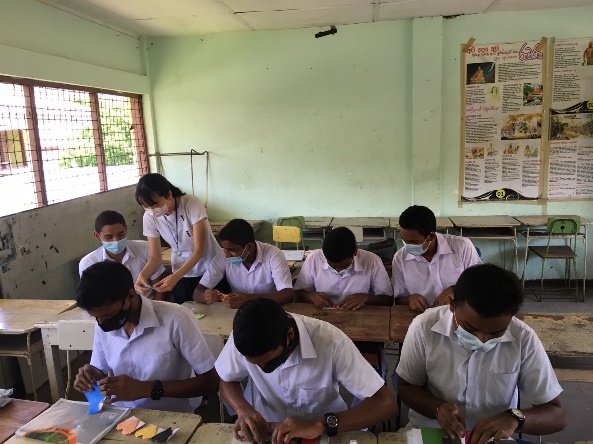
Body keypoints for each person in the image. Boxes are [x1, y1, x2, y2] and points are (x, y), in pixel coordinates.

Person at [395, 264, 566, 443]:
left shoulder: (523, 338)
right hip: (430, 431)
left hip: (492, 439)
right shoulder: (424, 327)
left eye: (496, 333)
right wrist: (437, 408)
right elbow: (407, 386)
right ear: (452, 305)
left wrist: (515, 418)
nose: (483, 340)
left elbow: (557, 413)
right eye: (470, 329)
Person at [215, 298, 398, 443]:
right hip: (271, 430)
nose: (263, 370)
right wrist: (243, 409)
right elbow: (226, 379)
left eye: (269, 363)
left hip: (326, 433)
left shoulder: (331, 342)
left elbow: (386, 404)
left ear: (290, 335)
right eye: (254, 365)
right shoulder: (244, 337)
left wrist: (320, 424)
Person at [73, 261, 219, 412]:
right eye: (95, 317)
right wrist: (90, 376)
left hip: (172, 416)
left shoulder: (176, 319)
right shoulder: (104, 322)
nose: (101, 324)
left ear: (130, 296)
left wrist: (148, 389)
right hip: (122, 414)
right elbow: (99, 369)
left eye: (108, 315)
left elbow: (212, 382)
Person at [135, 173, 225, 304]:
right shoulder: (149, 217)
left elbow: (199, 250)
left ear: (169, 195)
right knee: (186, 311)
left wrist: (176, 276)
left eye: (155, 205)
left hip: (209, 266)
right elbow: (155, 257)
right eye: (146, 206)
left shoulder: (191, 204)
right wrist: (142, 275)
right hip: (181, 271)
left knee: (215, 311)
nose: (151, 210)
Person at [392, 206, 481, 313]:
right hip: (422, 315)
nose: (408, 246)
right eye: (404, 241)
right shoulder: (400, 258)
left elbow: (480, 282)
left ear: (431, 237)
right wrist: (410, 299)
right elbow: (398, 298)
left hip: (460, 313)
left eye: (414, 242)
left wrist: (454, 289)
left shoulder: (462, 246)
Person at [193, 219, 293, 309]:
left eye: (232, 250)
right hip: (238, 312)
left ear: (249, 247)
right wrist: (206, 296)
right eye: (224, 249)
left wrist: (248, 299)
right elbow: (197, 292)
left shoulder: (273, 255)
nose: (227, 255)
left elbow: (287, 294)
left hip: (269, 309)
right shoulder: (222, 256)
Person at [294, 227, 393, 310]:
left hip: (360, 316)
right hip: (322, 315)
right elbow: (297, 294)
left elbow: (388, 300)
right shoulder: (314, 258)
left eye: (344, 266)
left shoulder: (372, 261)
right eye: (331, 266)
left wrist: (366, 298)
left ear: (355, 252)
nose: (337, 270)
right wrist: (310, 296)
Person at [79, 210, 167, 300]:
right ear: (97, 236)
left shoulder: (145, 249)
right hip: (112, 312)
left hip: (148, 306)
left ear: (126, 229)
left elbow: (158, 288)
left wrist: (154, 311)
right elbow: (93, 298)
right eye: (109, 237)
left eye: (120, 234)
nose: (116, 240)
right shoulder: (89, 263)